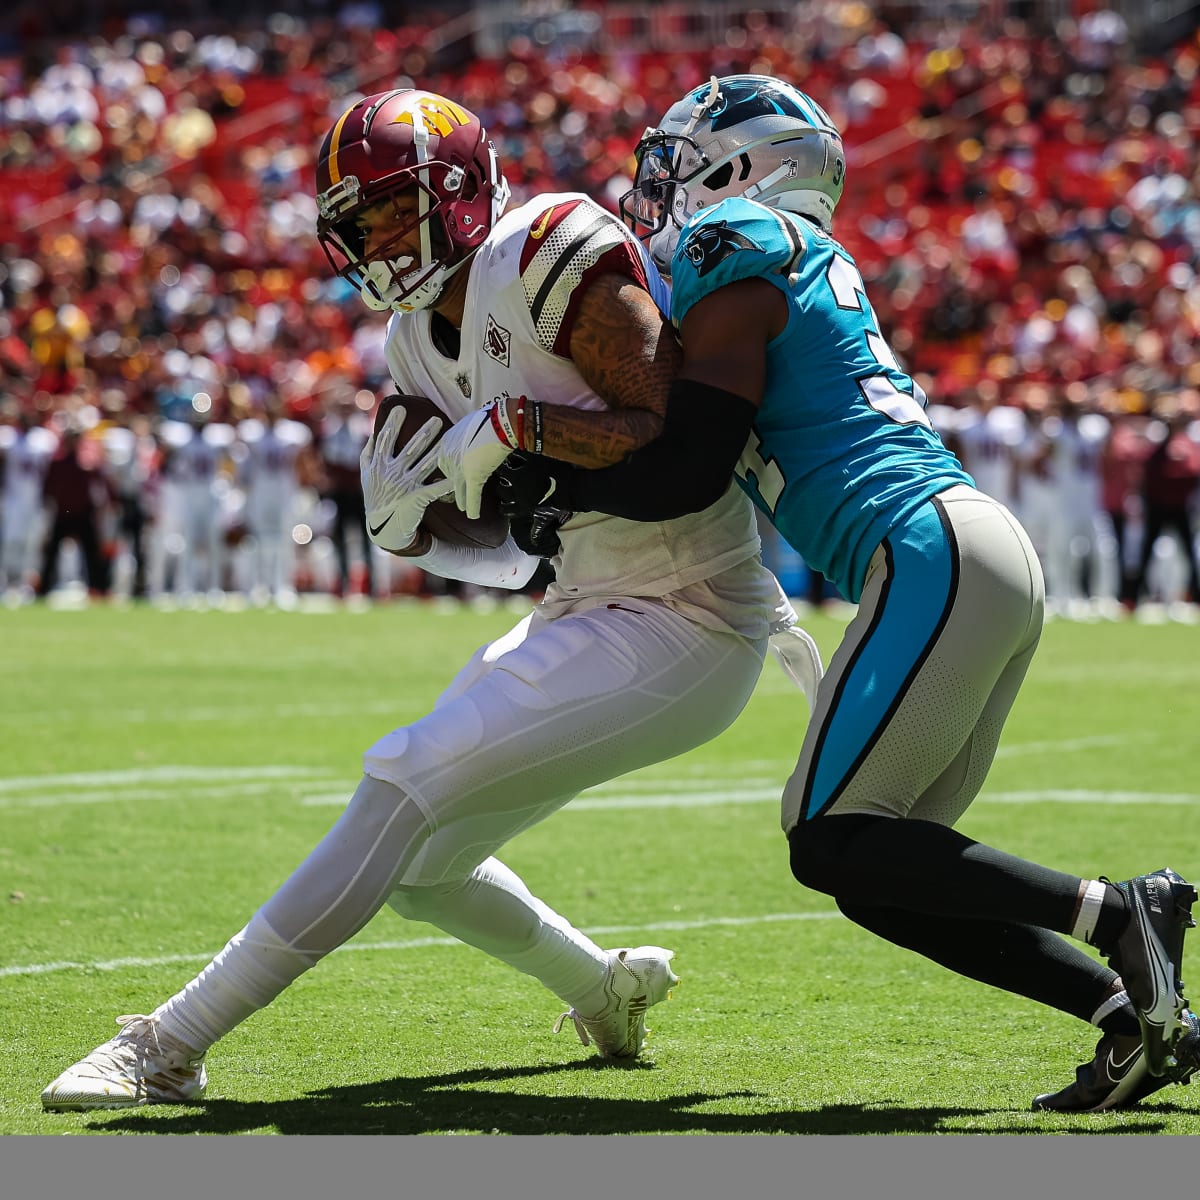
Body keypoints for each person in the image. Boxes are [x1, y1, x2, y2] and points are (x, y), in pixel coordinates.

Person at [40, 86, 821, 1111]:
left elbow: (669, 437)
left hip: (692, 610)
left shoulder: (548, 246)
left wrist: (514, 428)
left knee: (403, 781)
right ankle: (603, 988)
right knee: (422, 865)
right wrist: (421, 515)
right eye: (353, 222)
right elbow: (513, 540)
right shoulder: (414, 341)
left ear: (452, 194)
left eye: (383, 210)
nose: (368, 239)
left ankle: (169, 1044)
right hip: (593, 602)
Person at [478, 74, 1199, 1112]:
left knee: (832, 839)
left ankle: (1119, 914)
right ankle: (1129, 1017)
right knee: (873, 868)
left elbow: (689, 464)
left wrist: (552, 473)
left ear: (740, 167)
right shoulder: (783, 255)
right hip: (965, 554)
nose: (667, 190)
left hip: (929, 549)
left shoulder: (737, 236)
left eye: (681, 164)